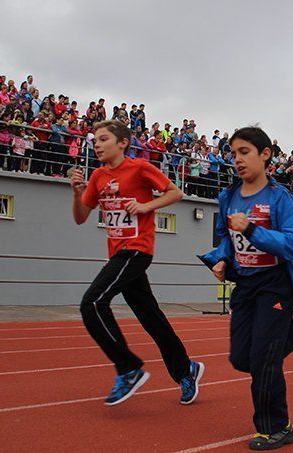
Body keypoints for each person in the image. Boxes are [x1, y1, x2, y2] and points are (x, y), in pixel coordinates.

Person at [200, 126, 293, 450]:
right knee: (242, 358)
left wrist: (254, 229)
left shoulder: (278, 196)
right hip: (245, 284)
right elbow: (225, 239)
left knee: (263, 361)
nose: (237, 159)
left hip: (275, 283)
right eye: (233, 153)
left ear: (265, 154)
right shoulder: (228, 196)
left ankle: (277, 427)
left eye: (245, 152)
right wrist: (222, 260)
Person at [70, 120, 203, 407]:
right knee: (151, 317)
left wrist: (145, 206)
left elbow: (175, 193)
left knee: (92, 303)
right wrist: (76, 192)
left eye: (104, 139)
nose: (97, 145)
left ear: (122, 143)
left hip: (136, 250)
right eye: (95, 141)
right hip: (117, 253)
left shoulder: (140, 168)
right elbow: (81, 217)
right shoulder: (97, 177)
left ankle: (128, 368)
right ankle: (186, 369)